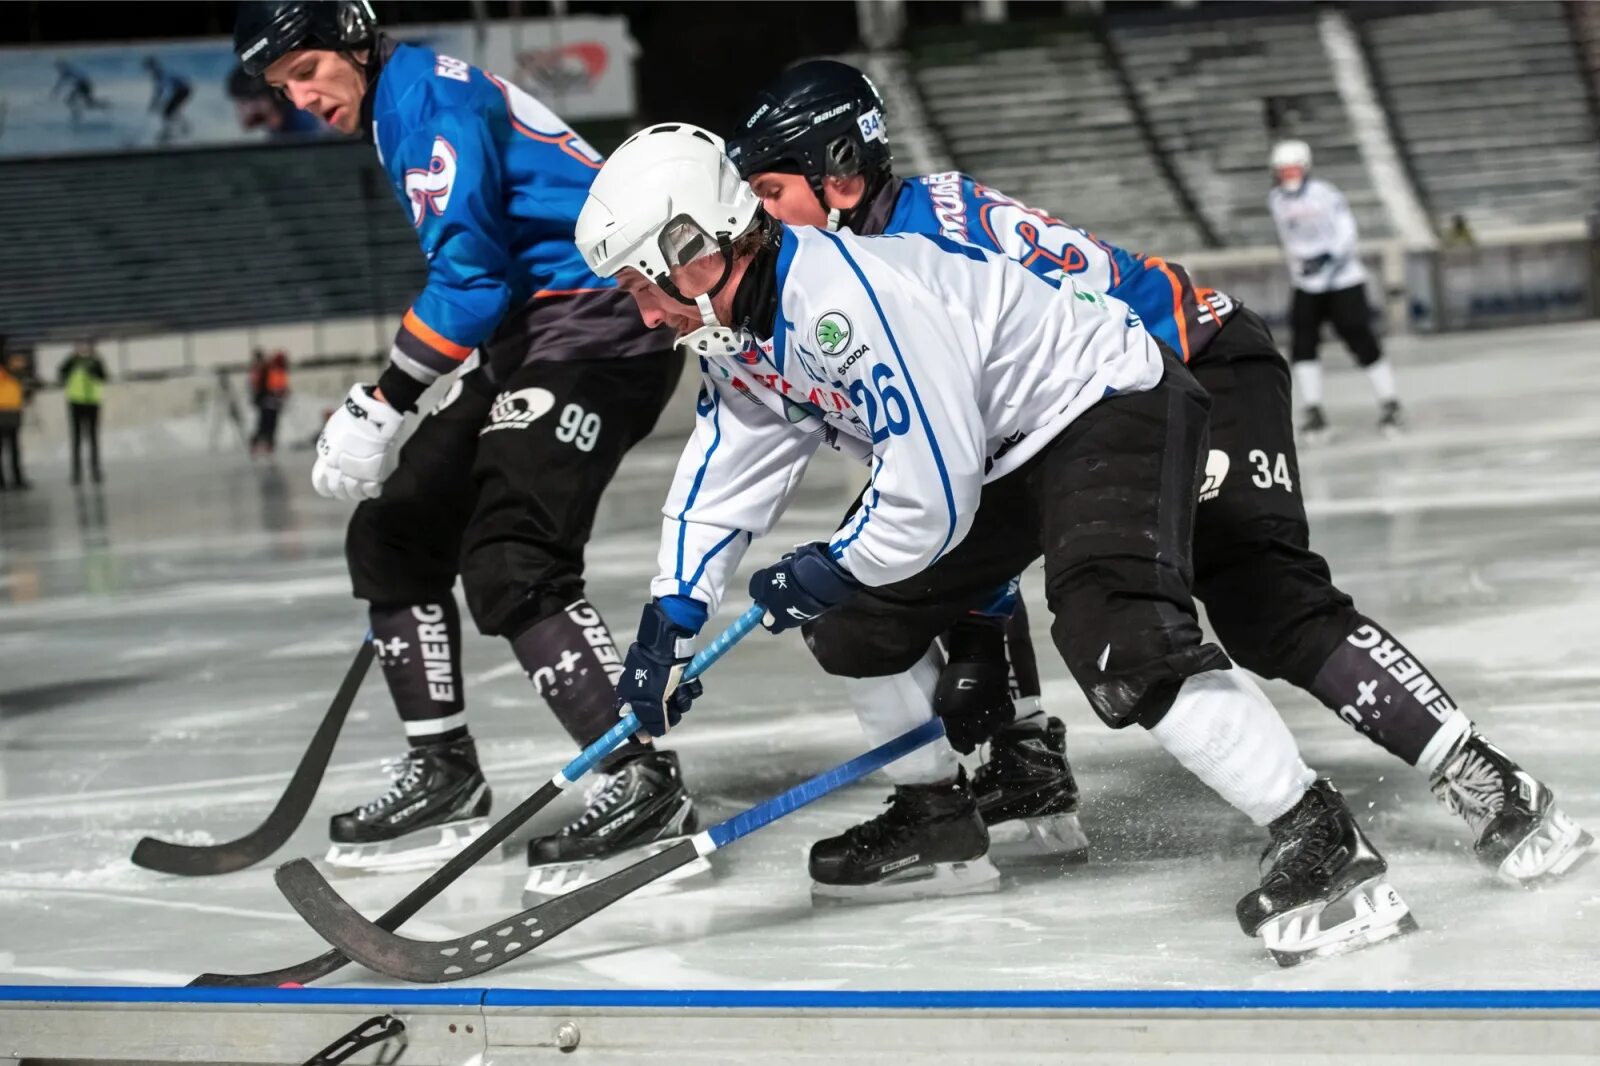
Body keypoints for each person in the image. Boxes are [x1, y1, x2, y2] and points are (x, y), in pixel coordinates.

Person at [723, 62, 1592, 896]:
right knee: (922, 595)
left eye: (769, 194)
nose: (758, 223)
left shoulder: (903, 256)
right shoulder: (856, 264)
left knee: (1262, 601)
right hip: (1091, 413)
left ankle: (1483, 776)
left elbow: (975, 451)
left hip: (1190, 364)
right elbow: (962, 478)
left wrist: (983, 633)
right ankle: (987, 784)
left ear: (839, 175)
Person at [576, 123, 1421, 965]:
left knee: (1116, 630)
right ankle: (936, 817)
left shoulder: (845, 304)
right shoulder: (735, 333)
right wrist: (668, 623)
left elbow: (930, 495)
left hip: (1101, 398)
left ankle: (1320, 836)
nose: (647, 314)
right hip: (996, 446)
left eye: (644, 285)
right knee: (854, 626)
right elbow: (725, 470)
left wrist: (830, 566)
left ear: (701, 244)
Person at [233, 1, 692, 875]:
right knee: (395, 531)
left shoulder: (425, 106)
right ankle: (444, 768)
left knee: (513, 553)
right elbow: (485, 281)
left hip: (603, 323)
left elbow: (472, 283)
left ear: (355, 42)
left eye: (304, 72)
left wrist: (381, 401)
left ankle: (639, 776)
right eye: (279, 86)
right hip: (541, 328)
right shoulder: (405, 97)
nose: (298, 98)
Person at [1267, 140, 1402, 440]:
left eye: (1292, 168)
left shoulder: (1325, 194)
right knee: (1302, 345)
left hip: (1343, 280)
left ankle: (1390, 401)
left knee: (1360, 338)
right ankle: (1314, 409)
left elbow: (1347, 232)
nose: (1288, 175)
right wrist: (1303, 266)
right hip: (1306, 283)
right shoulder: (1276, 199)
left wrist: (1327, 257)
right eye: (1283, 170)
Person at [58, 340, 106, 486]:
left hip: (92, 402)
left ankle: (95, 470)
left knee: (92, 438)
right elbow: (61, 374)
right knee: (76, 439)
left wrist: (95, 363)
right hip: (76, 402)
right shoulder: (72, 362)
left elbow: (103, 376)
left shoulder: (95, 362)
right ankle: (76, 472)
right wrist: (71, 359)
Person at [0, 339, 34, 492]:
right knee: (11, 448)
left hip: (12, 411)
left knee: (13, 448)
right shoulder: (11, 368)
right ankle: (13, 480)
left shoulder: (14, 369)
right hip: (8, 410)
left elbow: (26, 382)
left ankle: (14, 480)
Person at [248, 348, 290, 456]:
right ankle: (261, 443)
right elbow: (274, 387)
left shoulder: (273, 371)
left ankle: (266, 444)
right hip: (269, 402)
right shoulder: (272, 371)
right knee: (266, 424)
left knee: (269, 424)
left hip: (271, 402)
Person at [144, 56, 193, 145]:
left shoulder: (159, 72)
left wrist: (156, 102)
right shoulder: (158, 73)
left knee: (167, 112)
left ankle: (171, 131)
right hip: (182, 89)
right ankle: (184, 128)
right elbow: (159, 89)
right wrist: (155, 102)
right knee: (170, 111)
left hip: (183, 90)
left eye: (148, 67)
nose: (148, 70)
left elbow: (164, 88)